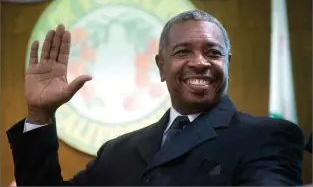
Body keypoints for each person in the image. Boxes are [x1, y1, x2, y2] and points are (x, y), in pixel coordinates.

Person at [7, 10, 304, 186]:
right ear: (161, 66)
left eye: (213, 52)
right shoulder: (118, 151)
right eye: (183, 51)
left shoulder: (268, 136)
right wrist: (40, 116)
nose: (200, 62)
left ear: (228, 63)